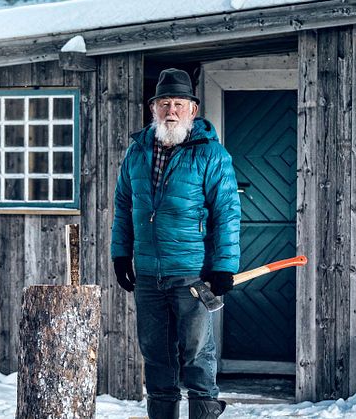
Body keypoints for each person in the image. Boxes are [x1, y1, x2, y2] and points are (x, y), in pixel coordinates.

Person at [111, 68, 241, 419]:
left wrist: (224, 266)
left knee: (197, 355)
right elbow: (124, 206)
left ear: (192, 110)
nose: (171, 110)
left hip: (192, 276)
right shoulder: (136, 152)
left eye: (179, 104)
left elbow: (227, 212)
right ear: (153, 108)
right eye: (164, 103)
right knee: (156, 356)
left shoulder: (211, 154)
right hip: (149, 275)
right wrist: (121, 254)